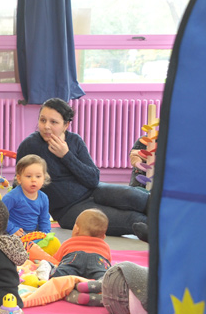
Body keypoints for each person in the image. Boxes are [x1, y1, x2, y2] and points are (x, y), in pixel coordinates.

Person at [16, 97, 148, 237]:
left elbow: (93, 179)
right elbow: (20, 184)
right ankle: (161, 232)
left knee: (137, 197)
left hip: (93, 191)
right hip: (68, 210)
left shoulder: (74, 140)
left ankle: (169, 217)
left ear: (66, 125)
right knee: (133, 219)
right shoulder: (29, 146)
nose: (46, 126)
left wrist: (66, 155)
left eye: (53, 122)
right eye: (43, 120)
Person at [2, 154, 51, 236]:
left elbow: (44, 219)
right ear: (19, 179)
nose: (33, 180)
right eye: (28, 176)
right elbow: (0, 216)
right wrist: (12, 229)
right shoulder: (12, 197)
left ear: (44, 178)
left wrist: (45, 235)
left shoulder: (44, 198)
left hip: (33, 233)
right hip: (13, 233)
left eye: (38, 176)